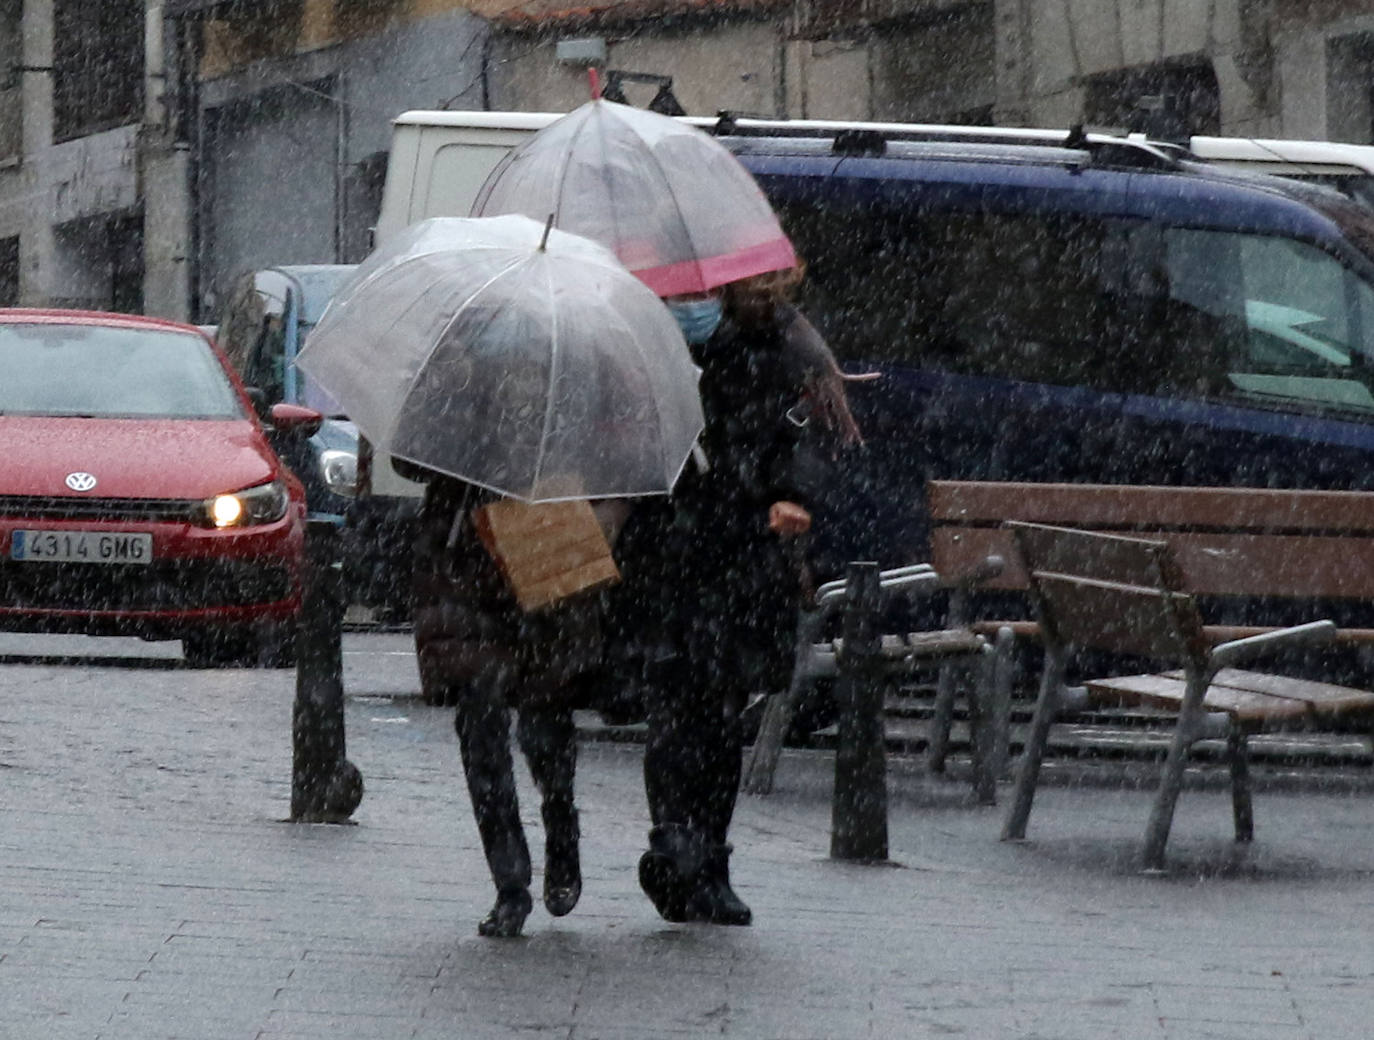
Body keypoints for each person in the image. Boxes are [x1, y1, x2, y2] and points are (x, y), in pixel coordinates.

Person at [613, 266, 863, 926]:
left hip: (742, 555)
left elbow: (813, 437)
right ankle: (674, 844)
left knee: (721, 709)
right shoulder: (645, 339)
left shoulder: (785, 345)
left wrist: (790, 493)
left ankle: (709, 861)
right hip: (669, 549)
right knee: (674, 701)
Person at [408, 466, 605, 938]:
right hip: (465, 564)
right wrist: (457, 454)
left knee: (545, 720)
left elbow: (593, 456)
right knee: (481, 731)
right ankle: (510, 883)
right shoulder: (450, 393)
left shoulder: (561, 397)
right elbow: (406, 461)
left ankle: (561, 823)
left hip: (542, 539)